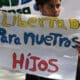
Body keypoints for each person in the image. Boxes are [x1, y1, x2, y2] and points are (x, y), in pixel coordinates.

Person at [26, 0, 80, 80]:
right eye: (50, 6)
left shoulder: (70, 31)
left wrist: (77, 57)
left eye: (58, 6)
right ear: (40, 8)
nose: (55, 10)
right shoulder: (30, 32)